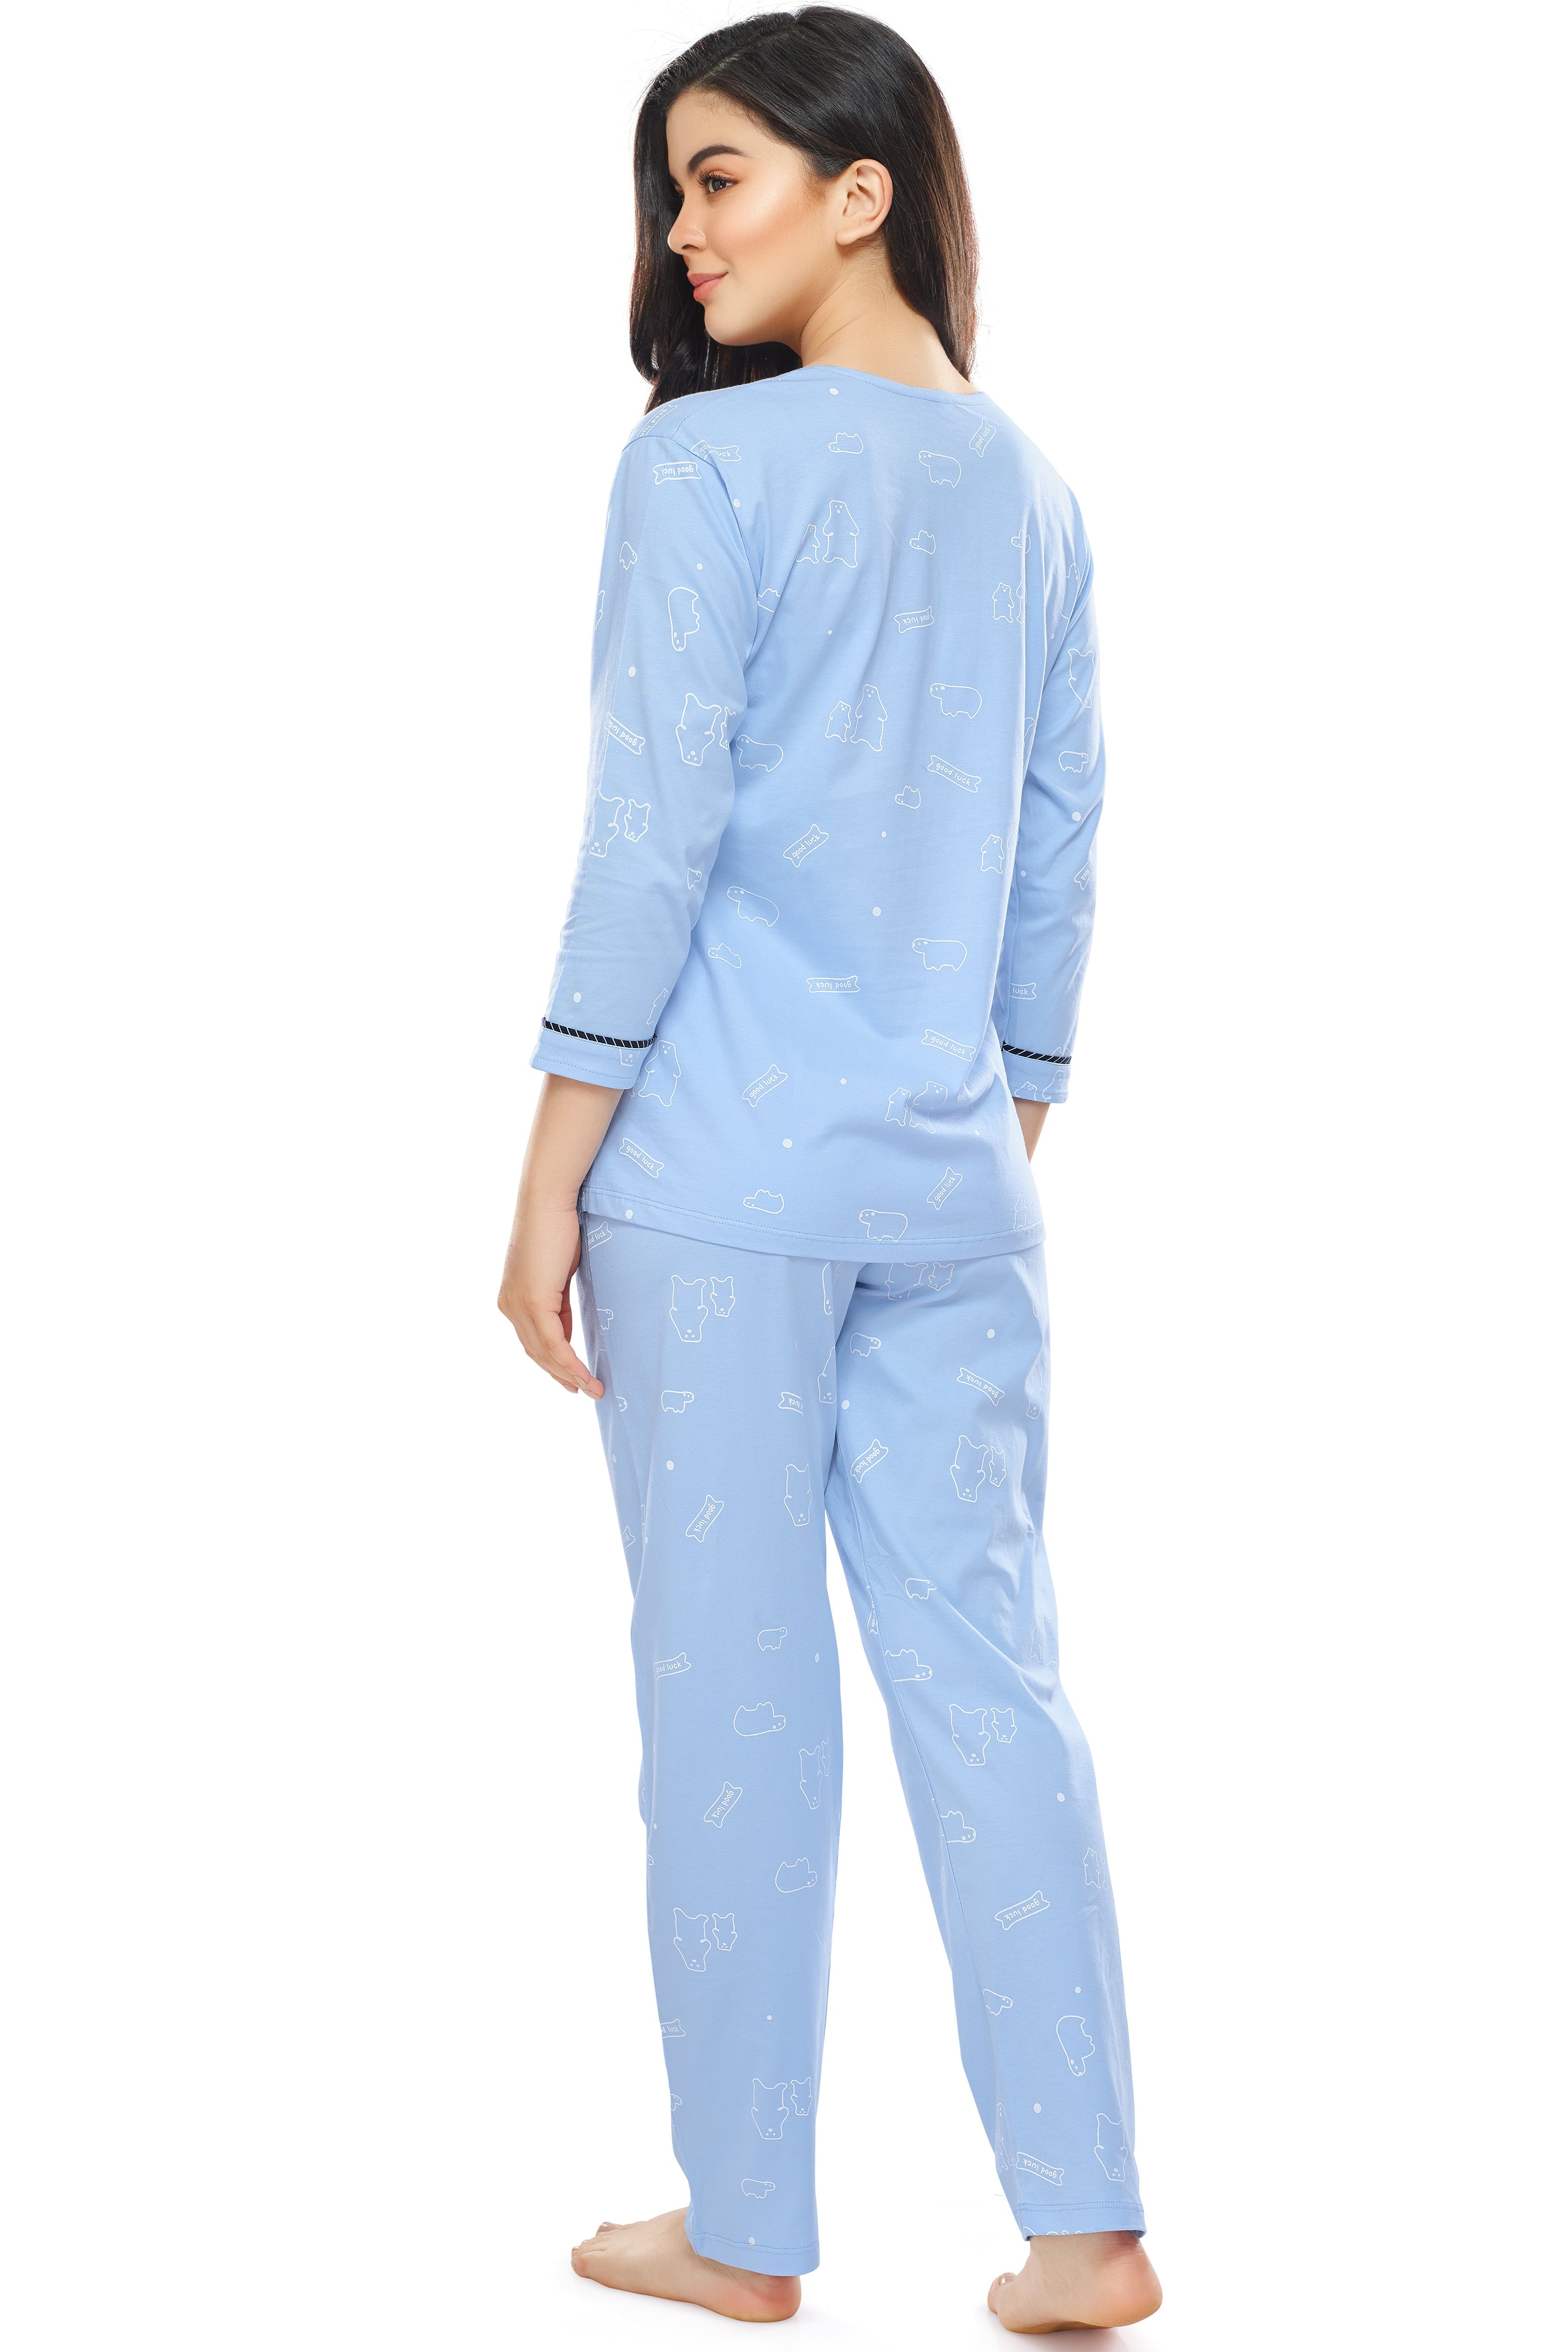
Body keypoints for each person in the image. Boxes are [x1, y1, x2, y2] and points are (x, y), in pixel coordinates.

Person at [498, 9, 1161, 2332]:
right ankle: (1087, 2227)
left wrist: (548, 1171)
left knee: (733, 1698)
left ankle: (745, 2226)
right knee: (994, 1683)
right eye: (669, 190)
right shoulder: (1036, 491)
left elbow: (649, 835)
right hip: (955, 1185)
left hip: (711, 1179)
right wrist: (978, 1119)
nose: (680, 234)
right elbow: (1059, 854)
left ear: (858, 190)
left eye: (718, 177)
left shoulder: (704, 468)